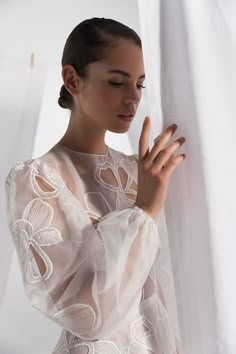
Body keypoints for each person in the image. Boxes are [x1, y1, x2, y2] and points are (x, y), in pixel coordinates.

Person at [5, 17, 186, 354]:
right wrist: (143, 211)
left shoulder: (139, 171)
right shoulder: (37, 179)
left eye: (140, 84)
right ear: (72, 80)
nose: (133, 98)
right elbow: (86, 317)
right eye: (117, 83)